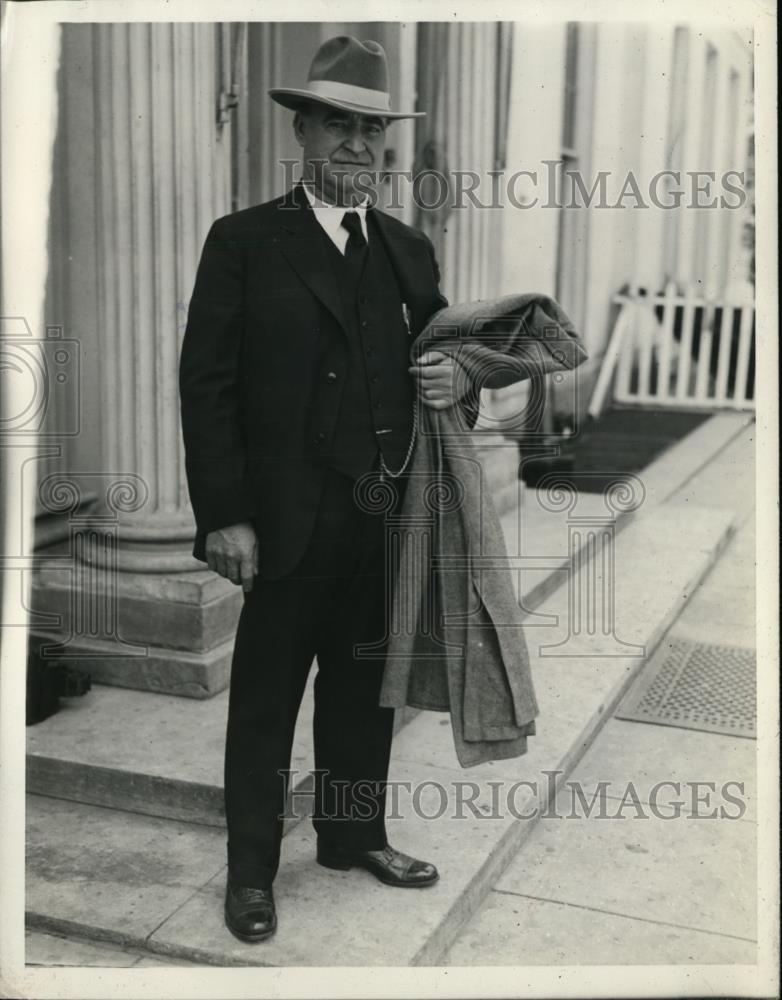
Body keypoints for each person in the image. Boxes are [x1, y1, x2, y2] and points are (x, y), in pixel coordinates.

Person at [179, 35, 469, 944]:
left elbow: (448, 353)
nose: (356, 143)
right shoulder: (245, 242)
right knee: (267, 701)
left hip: (386, 520)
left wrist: (461, 380)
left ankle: (353, 837)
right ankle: (253, 875)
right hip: (285, 523)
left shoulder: (408, 250)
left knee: (363, 691)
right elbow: (207, 387)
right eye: (337, 123)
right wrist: (224, 514)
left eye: (371, 128)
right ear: (301, 130)